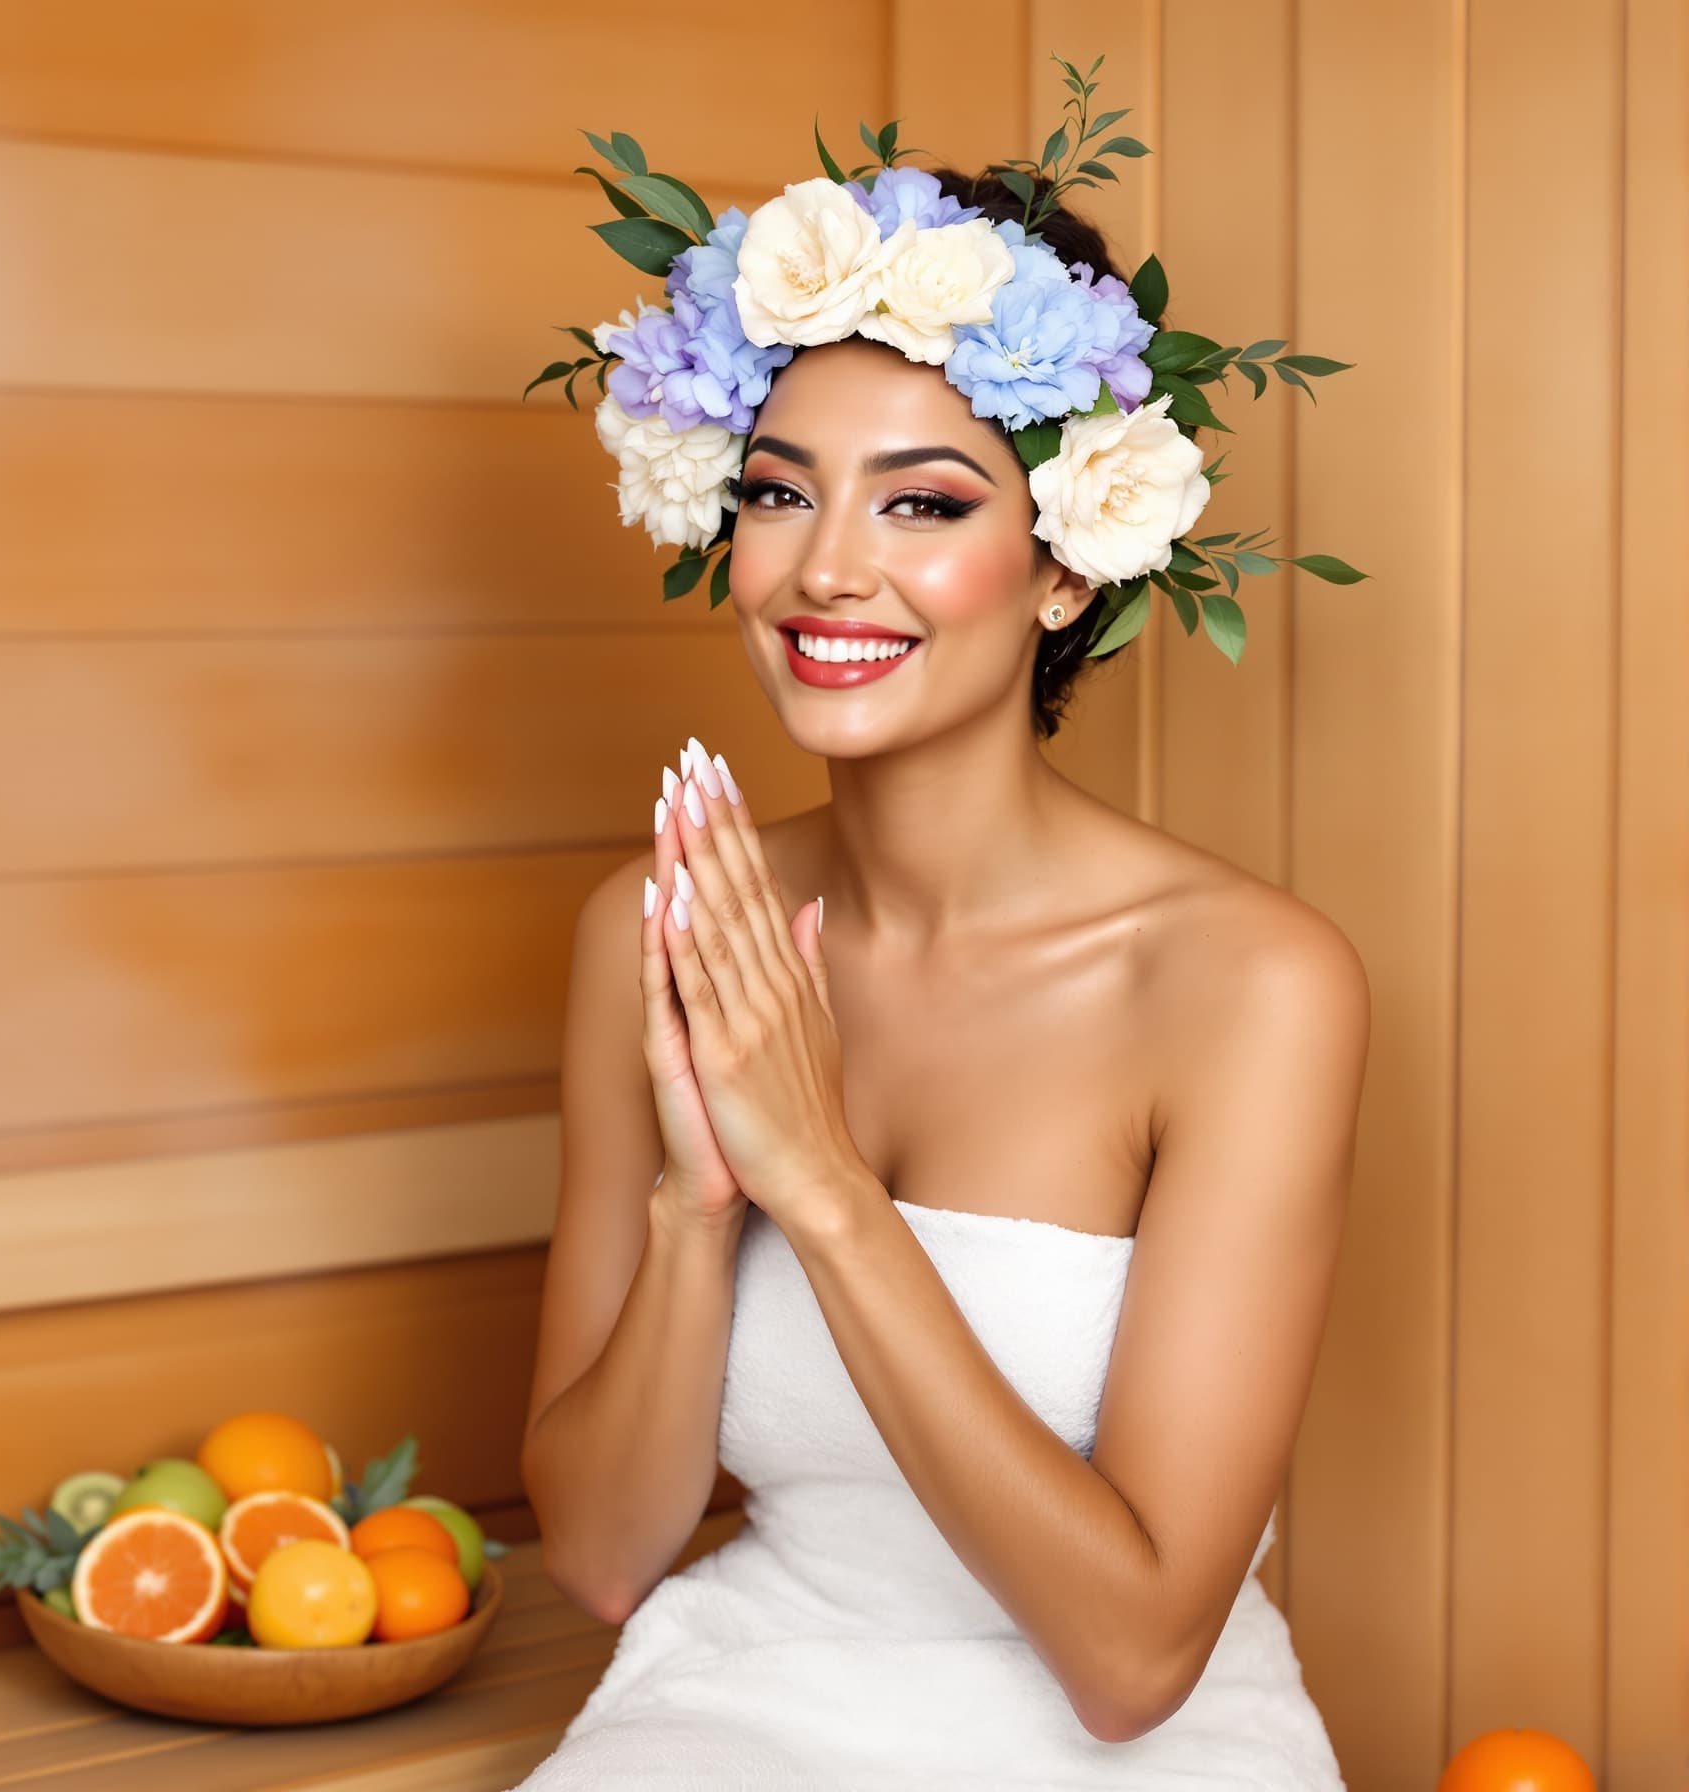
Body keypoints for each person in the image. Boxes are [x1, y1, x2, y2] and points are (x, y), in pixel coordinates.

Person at [510, 125, 1369, 1788]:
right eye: (779, 492)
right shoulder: (659, 928)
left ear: (1063, 568)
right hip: (744, 1708)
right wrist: (699, 1204)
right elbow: (606, 1559)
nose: (828, 568)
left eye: (923, 501)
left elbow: (1132, 1665)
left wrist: (823, 1187)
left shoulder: (1250, 988)